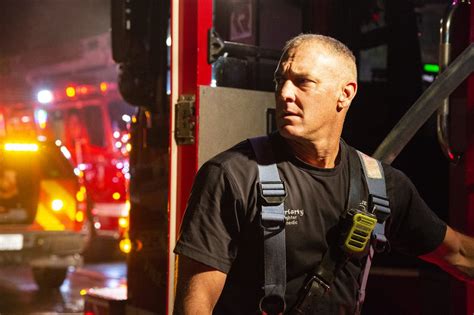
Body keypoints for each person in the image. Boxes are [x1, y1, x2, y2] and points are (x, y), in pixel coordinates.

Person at [173, 34, 474, 314]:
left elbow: (459, 253)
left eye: (303, 82)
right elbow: (194, 305)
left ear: (345, 94)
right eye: (280, 80)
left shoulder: (380, 186)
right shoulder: (232, 175)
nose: (284, 94)